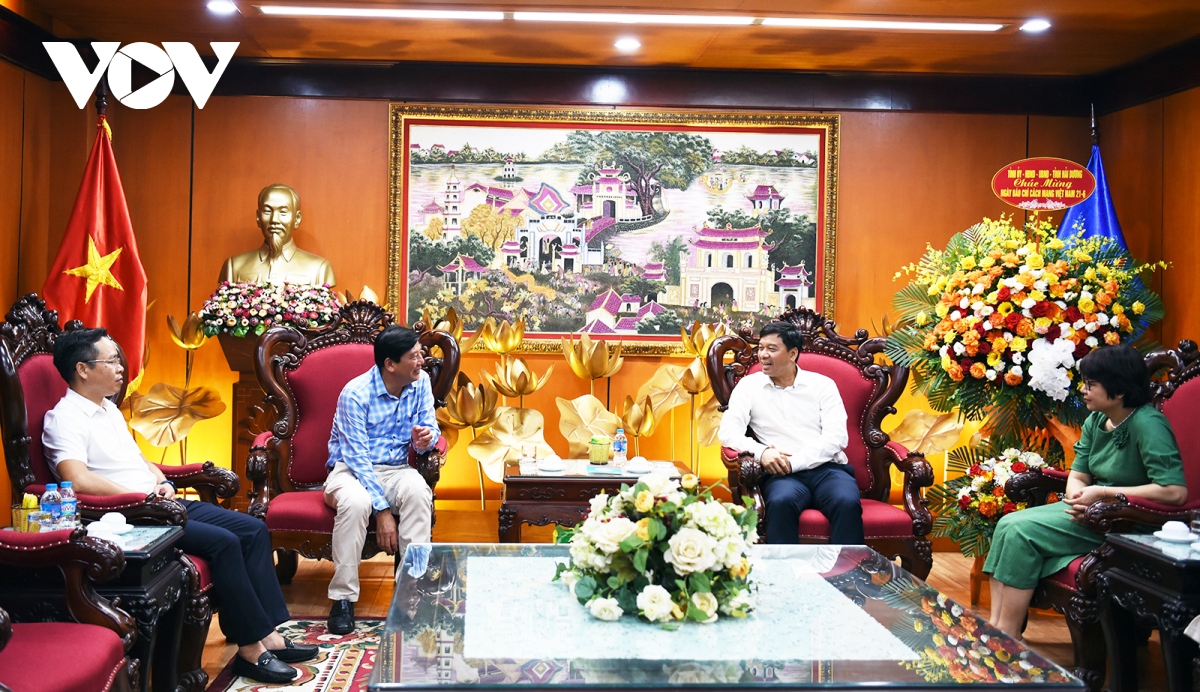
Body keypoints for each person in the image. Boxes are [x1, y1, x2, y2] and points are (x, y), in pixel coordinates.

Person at [44, 328, 316, 684]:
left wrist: (160, 480)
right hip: (129, 515)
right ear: (82, 369)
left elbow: (136, 459)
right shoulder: (64, 418)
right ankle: (251, 651)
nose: (121, 367)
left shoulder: (107, 409)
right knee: (224, 543)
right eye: (111, 360)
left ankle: (269, 635)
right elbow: (76, 479)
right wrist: (139, 497)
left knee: (252, 529)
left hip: (157, 501)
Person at [984, 344, 1187, 636]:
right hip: (1090, 511)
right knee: (1006, 524)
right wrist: (1078, 498)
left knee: (1019, 531)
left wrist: (1102, 495)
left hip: (1128, 519)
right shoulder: (1096, 419)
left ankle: (1008, 633)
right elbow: (1078, 475)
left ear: (1119, 390)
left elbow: (1174, 491)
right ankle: (994, 627)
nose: (1083, 390)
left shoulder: (1149, 424)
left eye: (1091, 384)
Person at [324, 325, 439, 635]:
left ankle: (408, 597)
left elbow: (430, 428)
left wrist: (426, 439)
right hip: (350, 470)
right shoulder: (355, 393)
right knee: (356, 502)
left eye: (421, 354)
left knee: (418, 492)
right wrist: (383, 511)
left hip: (396, 469)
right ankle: (343, 598)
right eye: (414, 356)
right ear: (390, 364)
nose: (421, 362)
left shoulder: (420, 382)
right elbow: (357, 458)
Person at [717, 320, 863, 544]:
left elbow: (837, 438)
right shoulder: (748, 386)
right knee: (781, 502)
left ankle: (848, 567)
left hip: (827, 469)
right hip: (782, 475)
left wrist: (794, 462)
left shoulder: (823, 385)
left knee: (847, 502)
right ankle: (783, 568)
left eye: (772, 349)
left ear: (793, 353)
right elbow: (728, 431)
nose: (763, 355)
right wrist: (762, 452)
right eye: (761, 348)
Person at [218, 183, 336, 286]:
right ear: (258, 217)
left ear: (297, 219)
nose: (274, 219)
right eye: (267, 211)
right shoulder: (234, 266)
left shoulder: (319, 268)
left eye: (283, 212)